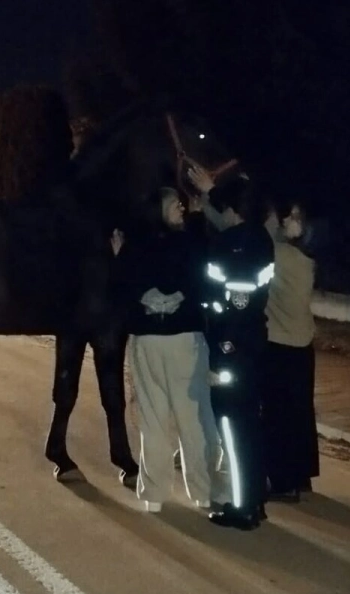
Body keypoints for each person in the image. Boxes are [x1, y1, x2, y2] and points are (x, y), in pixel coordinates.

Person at [112, 187, 220, 512]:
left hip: (147, 341)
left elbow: (121, 290)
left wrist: (119, 258)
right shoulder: (187, 243)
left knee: (153, 419)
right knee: (193, 419)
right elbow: (205, 277)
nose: (182, 209)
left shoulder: (134, 246)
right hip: (185, 339)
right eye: (176, 205)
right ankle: (201, 491)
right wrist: (200, 220)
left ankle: (154, 494)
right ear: (159, 208)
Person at [188, 165, 276, 530]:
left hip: (234, 346)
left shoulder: (234, 245)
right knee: (249, 427)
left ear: (233, 209)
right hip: (253, 341)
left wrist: (222, 352)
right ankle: (254, 498)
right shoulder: (259, 239)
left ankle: (242, 509)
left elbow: (232, 305)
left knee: (234, 428)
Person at [262, 199, 327, 501]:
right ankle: (301, 476)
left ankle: (282, 482)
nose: (288, 220)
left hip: (280, 345)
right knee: (301, 412)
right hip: (302, 344)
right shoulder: (305, 258)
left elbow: (258, 240)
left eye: (295, 218)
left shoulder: (283, 256)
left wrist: (210, 198)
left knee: (278, 415)